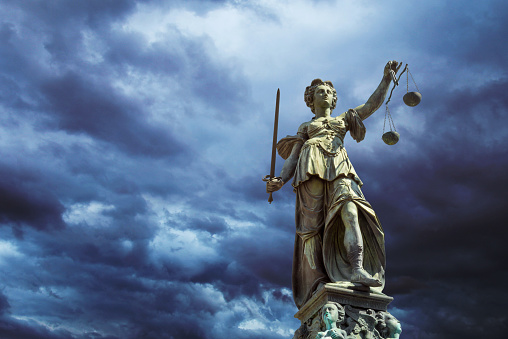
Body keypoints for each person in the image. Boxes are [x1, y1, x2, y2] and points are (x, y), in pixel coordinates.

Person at [265, 61, 400, 309]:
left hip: (339, 167)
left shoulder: (343, 120)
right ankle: (316, 281)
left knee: (351, 212)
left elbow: (370, 106)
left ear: (334, 99)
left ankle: (357, 269)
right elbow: (293, 158)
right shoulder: (306, 128)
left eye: (329, 91)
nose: (325, 93)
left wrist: (386, 80)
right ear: (311, 99)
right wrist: (280, 181)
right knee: (312, 229)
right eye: (320, 91)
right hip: (310, 169)